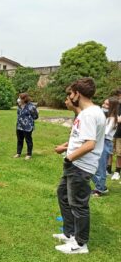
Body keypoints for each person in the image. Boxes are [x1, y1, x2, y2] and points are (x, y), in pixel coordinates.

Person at [52, 78, 105, 254]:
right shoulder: (89, 112)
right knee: (63, 195)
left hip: (80, 166)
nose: (70, 97)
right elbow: (80, 139)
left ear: (78, 94)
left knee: (78, 204)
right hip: (75, 164)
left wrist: (69, 158)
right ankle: (69, 233)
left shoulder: (89, 114)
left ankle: (80, 244)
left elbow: (90, 144)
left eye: (71, 94)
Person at [91, 96, 117, 196]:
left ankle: (100, 189)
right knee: (94, 166)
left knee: (101, 167)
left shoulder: (112, 119)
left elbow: (105, 132)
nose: (103, 105)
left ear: (112, 107)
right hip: (101, 141)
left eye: (107, 104)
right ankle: (101, 186)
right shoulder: (105, 116)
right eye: (104, 103)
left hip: (105, 143)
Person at [14, 93, 39, 160]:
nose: (18, 99)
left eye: (20, 98)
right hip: (19, 126)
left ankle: (29, 154)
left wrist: (28, 121)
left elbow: (35, 116)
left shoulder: (31, 106)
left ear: (24, 99)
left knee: (28, 140)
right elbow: (18, 114)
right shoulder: (19, 106)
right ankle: (18, 153)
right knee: (19, 140)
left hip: (27, 127)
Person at [111, 89, 121, 180]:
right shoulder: (118, 106)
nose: (119, 97)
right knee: (114, 152)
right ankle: (112, 170)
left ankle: (118, 171)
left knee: (119, 153)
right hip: (116, 132)